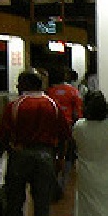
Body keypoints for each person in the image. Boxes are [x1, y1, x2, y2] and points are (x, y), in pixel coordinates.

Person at [0, 70, 71, 216]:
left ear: (26, 84)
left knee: (14, 204)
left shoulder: (15, 106)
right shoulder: (52, 105)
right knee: (42, 205)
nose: (17, 86)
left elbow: (3, 138)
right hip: (45, 157)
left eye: (19, 82)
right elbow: (64, 135)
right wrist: (60, 158)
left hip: (19, 157)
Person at [46, 65, 83, 193]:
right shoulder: (73, 91)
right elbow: (78, 114)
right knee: (68, 155)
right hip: (68, 127)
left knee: (51, 153)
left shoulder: (49, 92)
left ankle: (51, 180)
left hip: (51, 128)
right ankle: (62, 183)